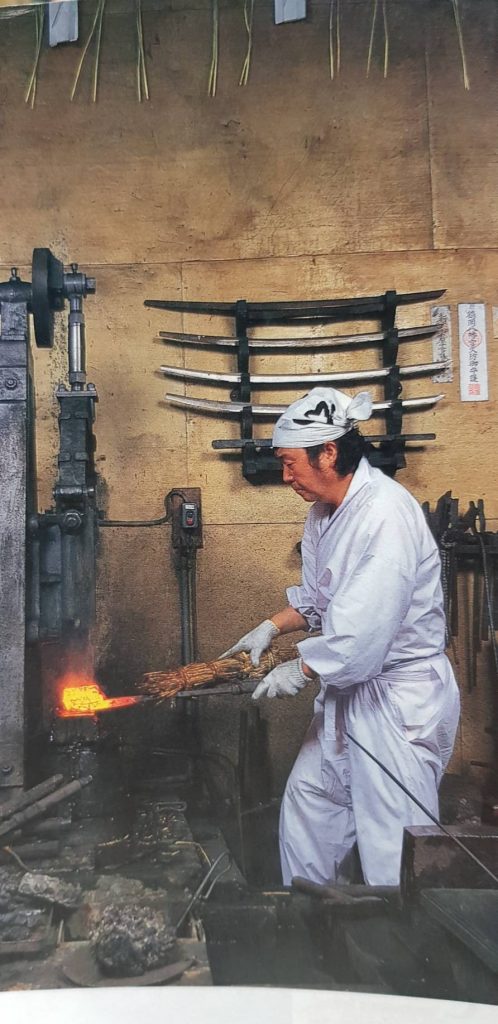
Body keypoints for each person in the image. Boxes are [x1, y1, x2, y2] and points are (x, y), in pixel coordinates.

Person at [221, 386, 460, 887]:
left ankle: (400, 933)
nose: (286, 477)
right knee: (309, 808)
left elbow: (361, 638)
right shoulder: (324, 513)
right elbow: (316, 599)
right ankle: (312, 919)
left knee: (392, 844)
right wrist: (270, 626)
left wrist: (301, 668)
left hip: (396, 700)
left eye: (290, 464)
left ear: (328, 453)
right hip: (349, 691)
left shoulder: (385, 515)